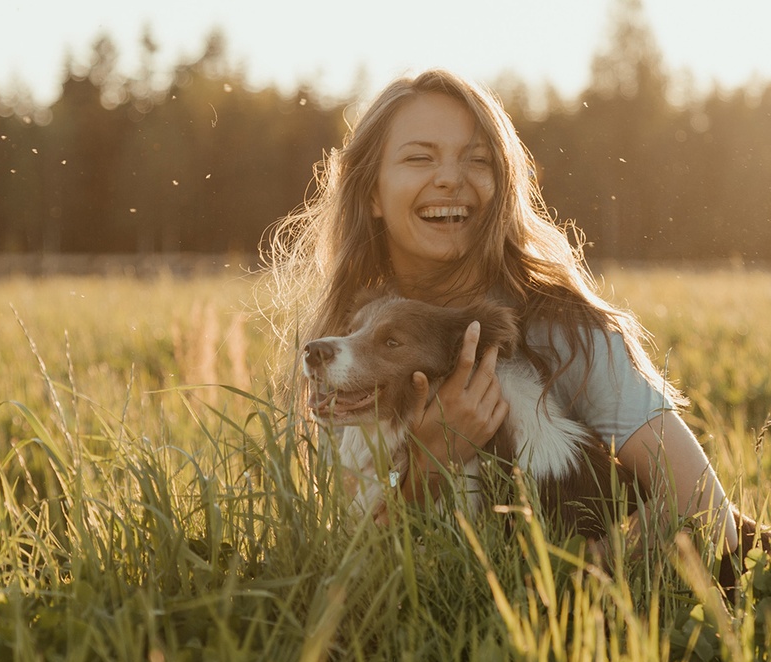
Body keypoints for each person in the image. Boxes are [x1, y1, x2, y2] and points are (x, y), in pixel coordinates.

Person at [265, 68, 745, 562]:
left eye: (477, 160)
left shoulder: (567, 331)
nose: (450, 178)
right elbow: (351, 558)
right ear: (371, 193)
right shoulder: (345, 347)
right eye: (419, 157)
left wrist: (569, 580)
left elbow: (709, 515)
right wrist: (432, 463)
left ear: (503, 186)